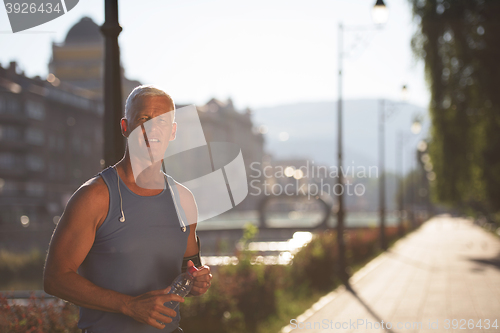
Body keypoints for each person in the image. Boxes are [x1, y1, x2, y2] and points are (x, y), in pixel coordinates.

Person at [43, 85, 212, 333]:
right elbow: (55, 279)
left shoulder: (184, 200)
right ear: (125, 127)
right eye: (144, 119)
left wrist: (197, 282)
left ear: (173, 131)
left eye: (162, 121)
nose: (153, 128)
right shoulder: (94, 197)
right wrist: (128, 305)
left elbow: (189, 269)